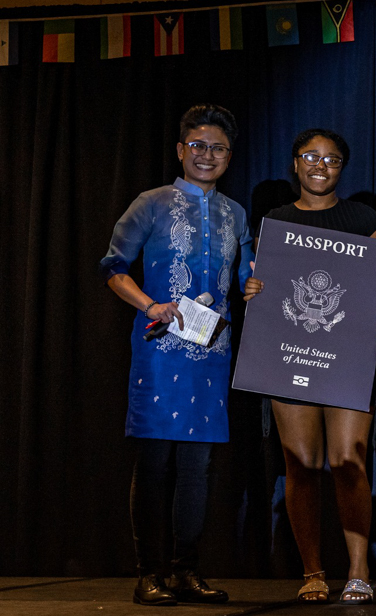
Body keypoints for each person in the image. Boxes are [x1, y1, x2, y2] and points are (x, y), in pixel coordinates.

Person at [99, 104, 251, 606]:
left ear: (230, 155)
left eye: (218, 148)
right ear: (181, 150)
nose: (207, 156)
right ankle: (149, 574)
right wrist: (153, 305)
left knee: (198, 468)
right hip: (160, 351)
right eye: (198, 146)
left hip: (212, 353)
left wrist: (253, 285)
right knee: (156, 463)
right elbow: (113, 267)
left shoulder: (236, 213)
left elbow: (247, 276)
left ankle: (187, 571)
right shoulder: (152, 203)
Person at [243, 129, 376, 604]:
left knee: (347, 461)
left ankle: (359, 570)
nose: (320, 165)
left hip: (348, 359)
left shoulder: (364, 218)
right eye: (311, 156)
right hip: (292, 358)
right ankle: (312, 571)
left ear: (342, 167)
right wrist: (254, 294)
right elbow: (267, 285)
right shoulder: (277, 221)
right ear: (295, 163)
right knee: (301, 465)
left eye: (331, 159)